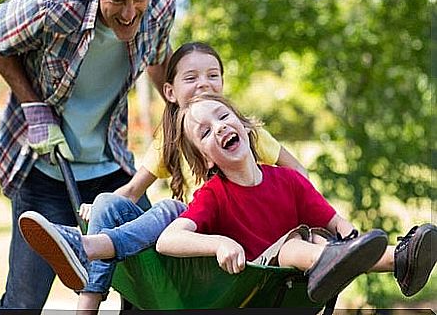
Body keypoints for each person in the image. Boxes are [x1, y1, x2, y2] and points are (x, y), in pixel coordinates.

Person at [0, 0, 175, 311]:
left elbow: (159, 57)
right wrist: (33, 106)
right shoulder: (56, 1)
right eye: (117, 0)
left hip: (112, 171)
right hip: (45, 174)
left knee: (150, 289)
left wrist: (187, 108)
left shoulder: (161, 1)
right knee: (24, 301)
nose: (130, 13)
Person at [74, 41, 309, 310]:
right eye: (191, 78)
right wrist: (95, 209)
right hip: (191, 242)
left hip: (230, 234)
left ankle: (84, 248)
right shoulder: (170, 140)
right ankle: (87, 293)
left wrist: (285, 207)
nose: (204, 84)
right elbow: (131, 191)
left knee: (171, 207)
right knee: (106, 202)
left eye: (213, 75)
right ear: (170, 92)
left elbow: (298, 172)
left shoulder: (240, 131)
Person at [155, 93, 437, 303]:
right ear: (205, 160)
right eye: (204, 132)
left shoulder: (288, 180)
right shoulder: (214, 195)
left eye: (223, 116)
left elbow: (335, 221)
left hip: (300, 280)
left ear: (243, 124)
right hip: (258, 285)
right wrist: (219, 243)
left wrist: (352, 239)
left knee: (319, 236)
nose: (218, 127)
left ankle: (400, 261)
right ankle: (329, 259)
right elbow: (168, 240)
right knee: (295, 243)